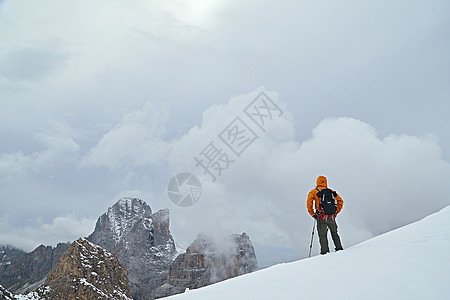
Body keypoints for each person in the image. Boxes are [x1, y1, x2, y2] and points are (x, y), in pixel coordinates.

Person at [307, 175, 344, 255]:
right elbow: (340, 201)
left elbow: (309, 203)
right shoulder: (331, 191)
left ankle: (325, 253)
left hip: (321, 217)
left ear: (317, 182)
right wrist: (336, 212)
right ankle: (339, 249)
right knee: (335, 233)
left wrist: (312, 214)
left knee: (323, 236)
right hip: (331, 217)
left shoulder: (314, 191)